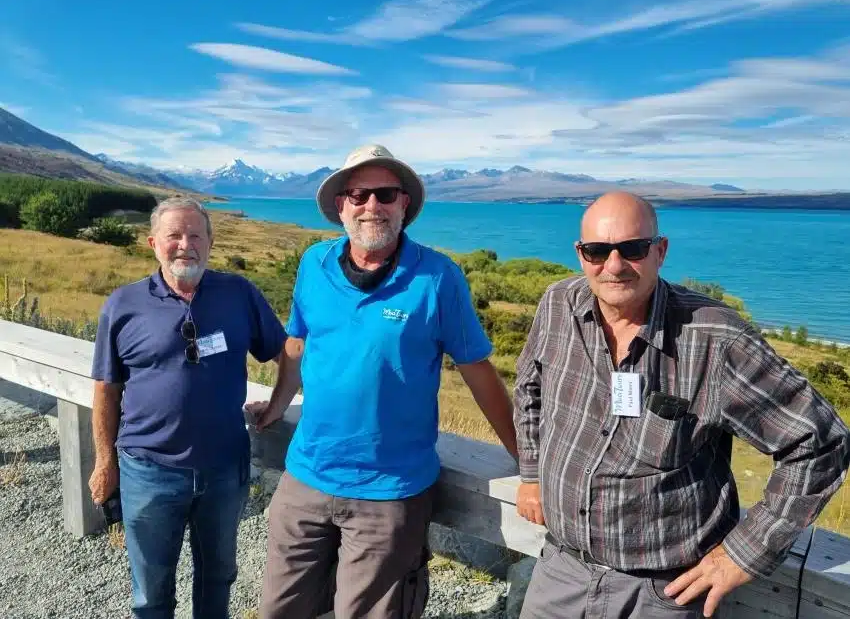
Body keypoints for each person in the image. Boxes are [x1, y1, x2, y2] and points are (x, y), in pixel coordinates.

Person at [513, 190, 850, 618]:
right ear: (580, 254)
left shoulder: (713, 338)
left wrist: (743, 553)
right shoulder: (558, 305)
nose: (613, 266)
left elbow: (820, 442)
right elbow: (529, 385)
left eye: (632, 249)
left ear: (660, 250)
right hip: (561, 567)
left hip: (661, 592)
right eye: (597, 251)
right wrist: (531, 473)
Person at [249, 143, 519, 619]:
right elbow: (297, 342)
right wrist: (276, 405)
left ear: (405, 205)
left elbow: (477, 372)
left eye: (385, 194)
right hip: (307, 475)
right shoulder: (314, 264)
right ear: (340, 206)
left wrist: (527, 459)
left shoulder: (438, 277)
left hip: (389, 490)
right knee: (278, 609)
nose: (372, 206)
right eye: (358, 195)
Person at [88, 196, 287, 619]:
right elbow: (106, 387)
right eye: (174, 235)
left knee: (218, 577)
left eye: (195, 234)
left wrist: (279, 402)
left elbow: (287, 350)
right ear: (153, 243)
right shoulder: (123, 305)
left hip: (224, 469)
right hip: (148, 470)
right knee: (151, 590)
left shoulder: (239, 294)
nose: (185, 244)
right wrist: (105, 461)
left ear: (211, 242)